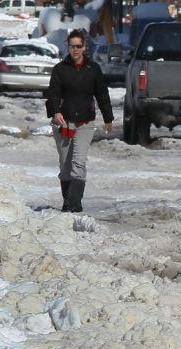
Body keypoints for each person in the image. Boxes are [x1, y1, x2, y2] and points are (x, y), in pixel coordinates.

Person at [45, 29, 114, 213]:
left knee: (79, 162)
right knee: (65, 164)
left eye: (78, 46)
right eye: (72, 46)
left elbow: (102, 94)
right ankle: (67, 201)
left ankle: (75, 203)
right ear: (67, 47)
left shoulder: (93, 69)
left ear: (84, 47)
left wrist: (108, 118)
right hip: (63, 123)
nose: (75, 50)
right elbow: (53, 94)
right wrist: (55, 112)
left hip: (85, 123)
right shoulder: (60, 69)